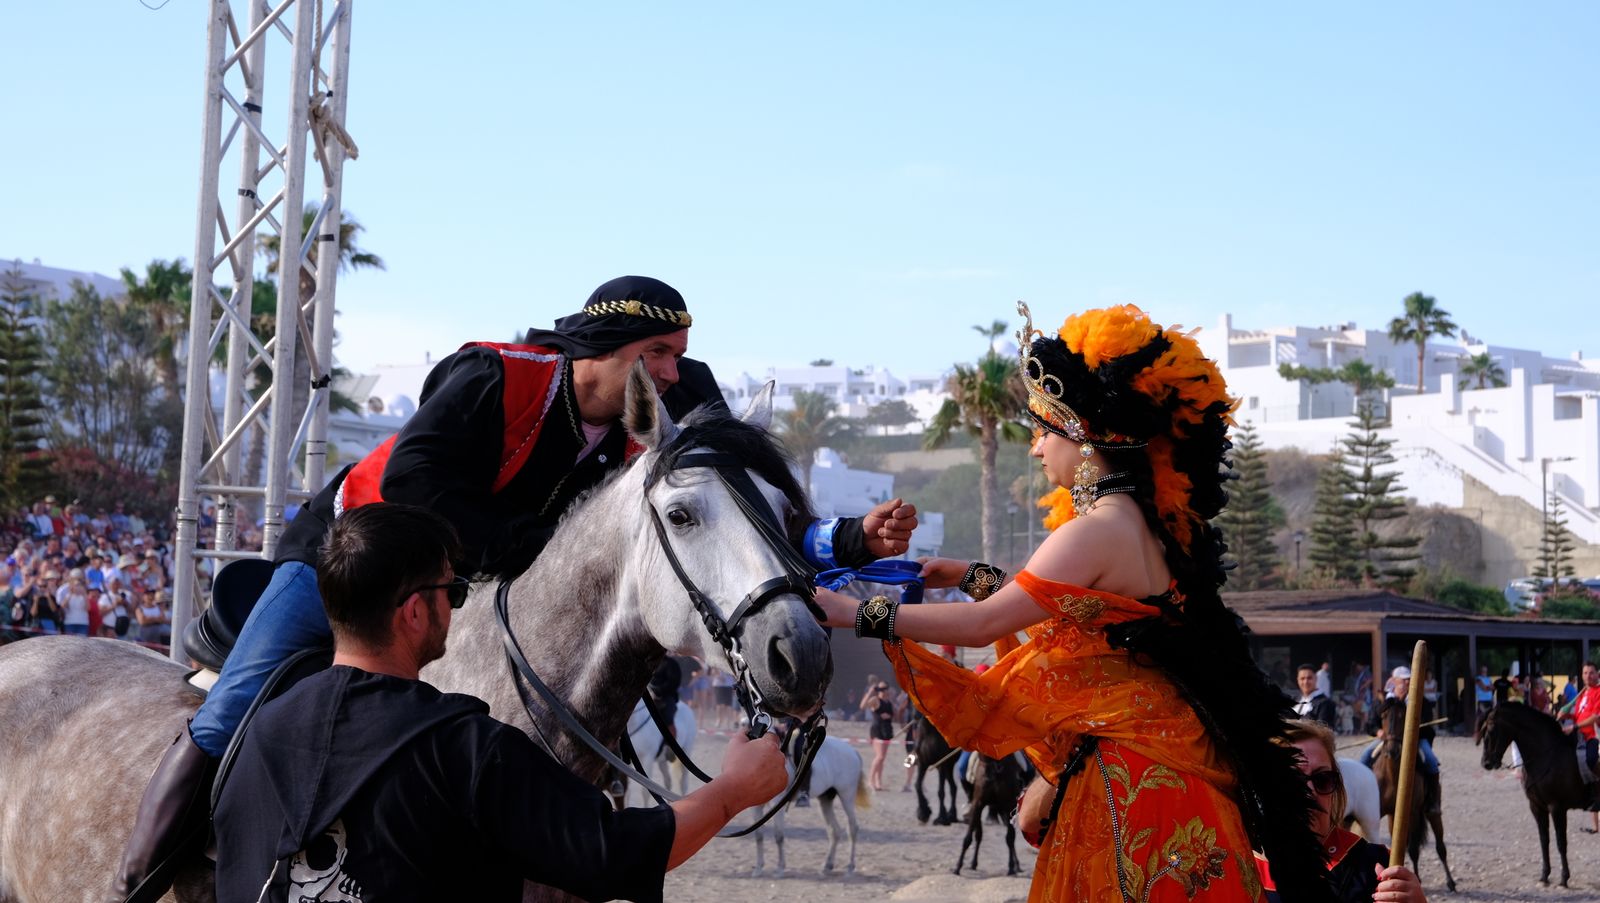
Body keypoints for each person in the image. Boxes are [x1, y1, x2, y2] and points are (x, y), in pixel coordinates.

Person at [113, 275, 919, 902]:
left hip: (464, 574)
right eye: (660, 354)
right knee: (235, 702)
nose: (676, 373)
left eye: (679, 354)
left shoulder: (674, 392)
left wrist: (847, 538)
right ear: (605, 351)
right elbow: (414, 479)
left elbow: (733, 503)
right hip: (351, 547)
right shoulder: (495, 376)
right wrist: (534, 548)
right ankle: (138, 873)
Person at [815, 303, 1328, 900]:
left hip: (1128, 776)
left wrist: (856, 614)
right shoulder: (1149, 526)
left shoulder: (1093, 531)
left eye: (1043, 431)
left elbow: (984, 626)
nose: (1036, 450)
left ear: (1082, 439)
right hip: (1175, 768)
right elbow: (1083, 615)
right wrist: (972, 575)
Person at [213, 502, 788, 902]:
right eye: (453, 590)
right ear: (413, 613)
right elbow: (617, 854)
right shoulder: (464, 747)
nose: (457, 605)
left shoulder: (260, 733)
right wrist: (733, 790)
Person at [1256, 720, 1428, 902]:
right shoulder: (1243, 866)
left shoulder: (1375, 865)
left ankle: (1430, 798)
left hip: (1399, 739)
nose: (1310, 792)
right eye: (1293, 780)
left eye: (1323, 779)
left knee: (1429, 762)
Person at [1360, 667, 1439, 777]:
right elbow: (1371, 722)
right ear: (1393, 681)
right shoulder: (1383, 699)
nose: (1407, 682)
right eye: (1403, 679)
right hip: (1388, 738)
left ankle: (1434, 788)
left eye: (1409, 679)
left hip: (1416, 739)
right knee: (1364, 758)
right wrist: (1378, 731)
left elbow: (1427, 720)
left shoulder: (1420, 699)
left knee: (1431, 761)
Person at [1564, 661, 1600, 813]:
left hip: (1594, 735)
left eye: (1591, 673)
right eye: (1585, 673)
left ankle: (1597, 791)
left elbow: (1595, 717)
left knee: (1591, 759)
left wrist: (1575, 727)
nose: (1588, 676)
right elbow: (1578, 715)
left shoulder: (1598, 692)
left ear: (1597, 674)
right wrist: (1566, 715)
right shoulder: (1583, 693)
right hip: (1579, 734)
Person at [861, 682, 896, 792]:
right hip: (877, 730)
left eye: (885, 689)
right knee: (879, 756)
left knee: (882, 758)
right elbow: (863, 706)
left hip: (887, 730)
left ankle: (878, 782)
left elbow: (894, 713)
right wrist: (869, 692)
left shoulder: (889, 701)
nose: (883, 691)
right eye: (880, 689)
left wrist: (889, 715)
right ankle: (870, 781)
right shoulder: (876, 700)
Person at [1293, 663, 1337, 728]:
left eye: (1309, 678)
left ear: (1316, 678)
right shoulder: (1295, 700)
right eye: (1302, 678)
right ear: (1297, 680)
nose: (1305, 682)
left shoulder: (1325, 703)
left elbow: (1323, 731)